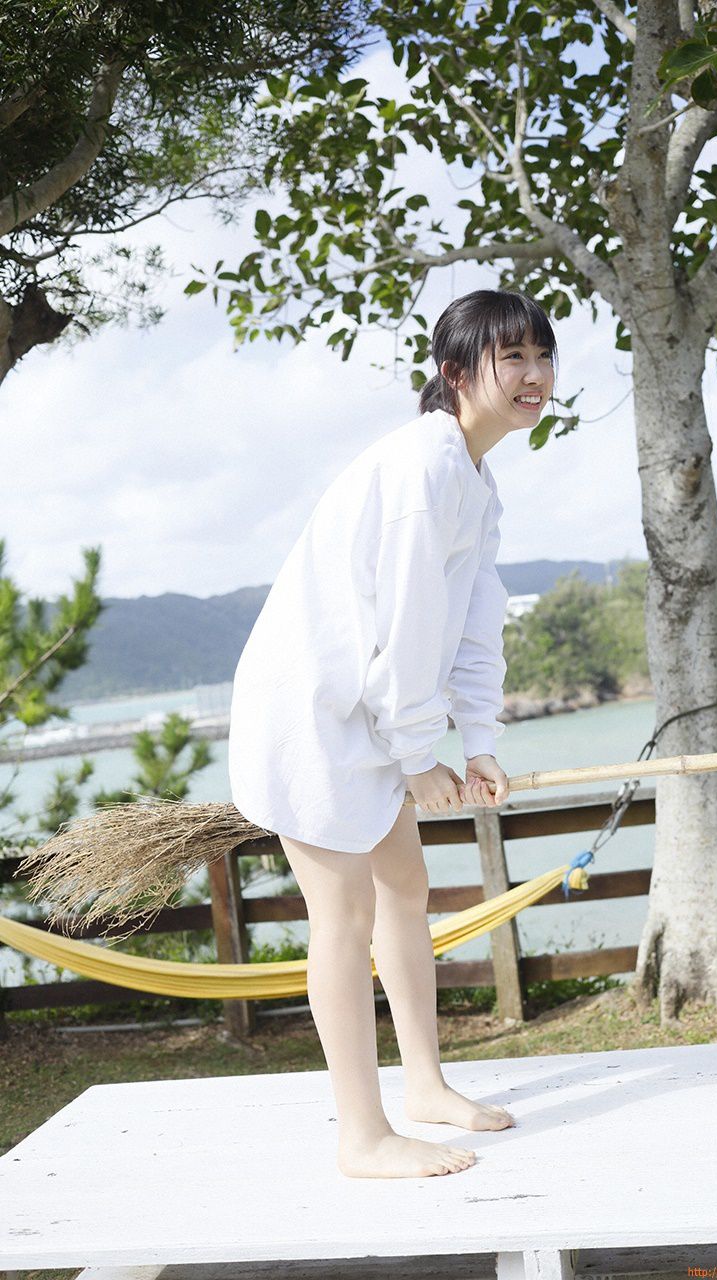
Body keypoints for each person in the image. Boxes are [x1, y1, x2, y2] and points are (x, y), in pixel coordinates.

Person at [228, 288, 558, 1179]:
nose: (534, 375)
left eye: (542, 356)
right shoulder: (426, 471)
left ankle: (425, 1086)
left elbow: (473, 625)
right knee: (344, 916)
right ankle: (361, 1137)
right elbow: (406, 628)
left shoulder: (473, 479)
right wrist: (417, 758)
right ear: (457, 373)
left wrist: (478, 741)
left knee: (405, 888)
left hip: (368, 707)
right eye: (512, 357)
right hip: (312, 712)